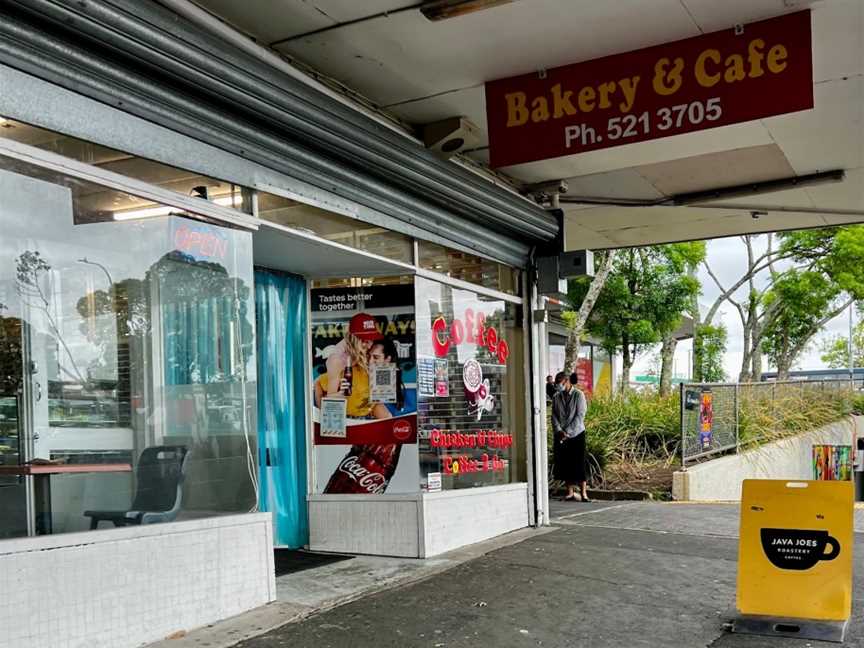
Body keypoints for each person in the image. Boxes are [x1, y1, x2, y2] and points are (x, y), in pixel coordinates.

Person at [551, 371, 589, 502]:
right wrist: (559, 430)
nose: (557, 386)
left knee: (579, 463)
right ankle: (569, 492)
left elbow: (580, 415)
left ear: (566, 381)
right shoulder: (556, 397)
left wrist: (567, 431)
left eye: (559, 383)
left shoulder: (579, 395)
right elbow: (554, 415)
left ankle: (584, 493)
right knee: (565, 463)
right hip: (561, 434)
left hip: (577, 434)